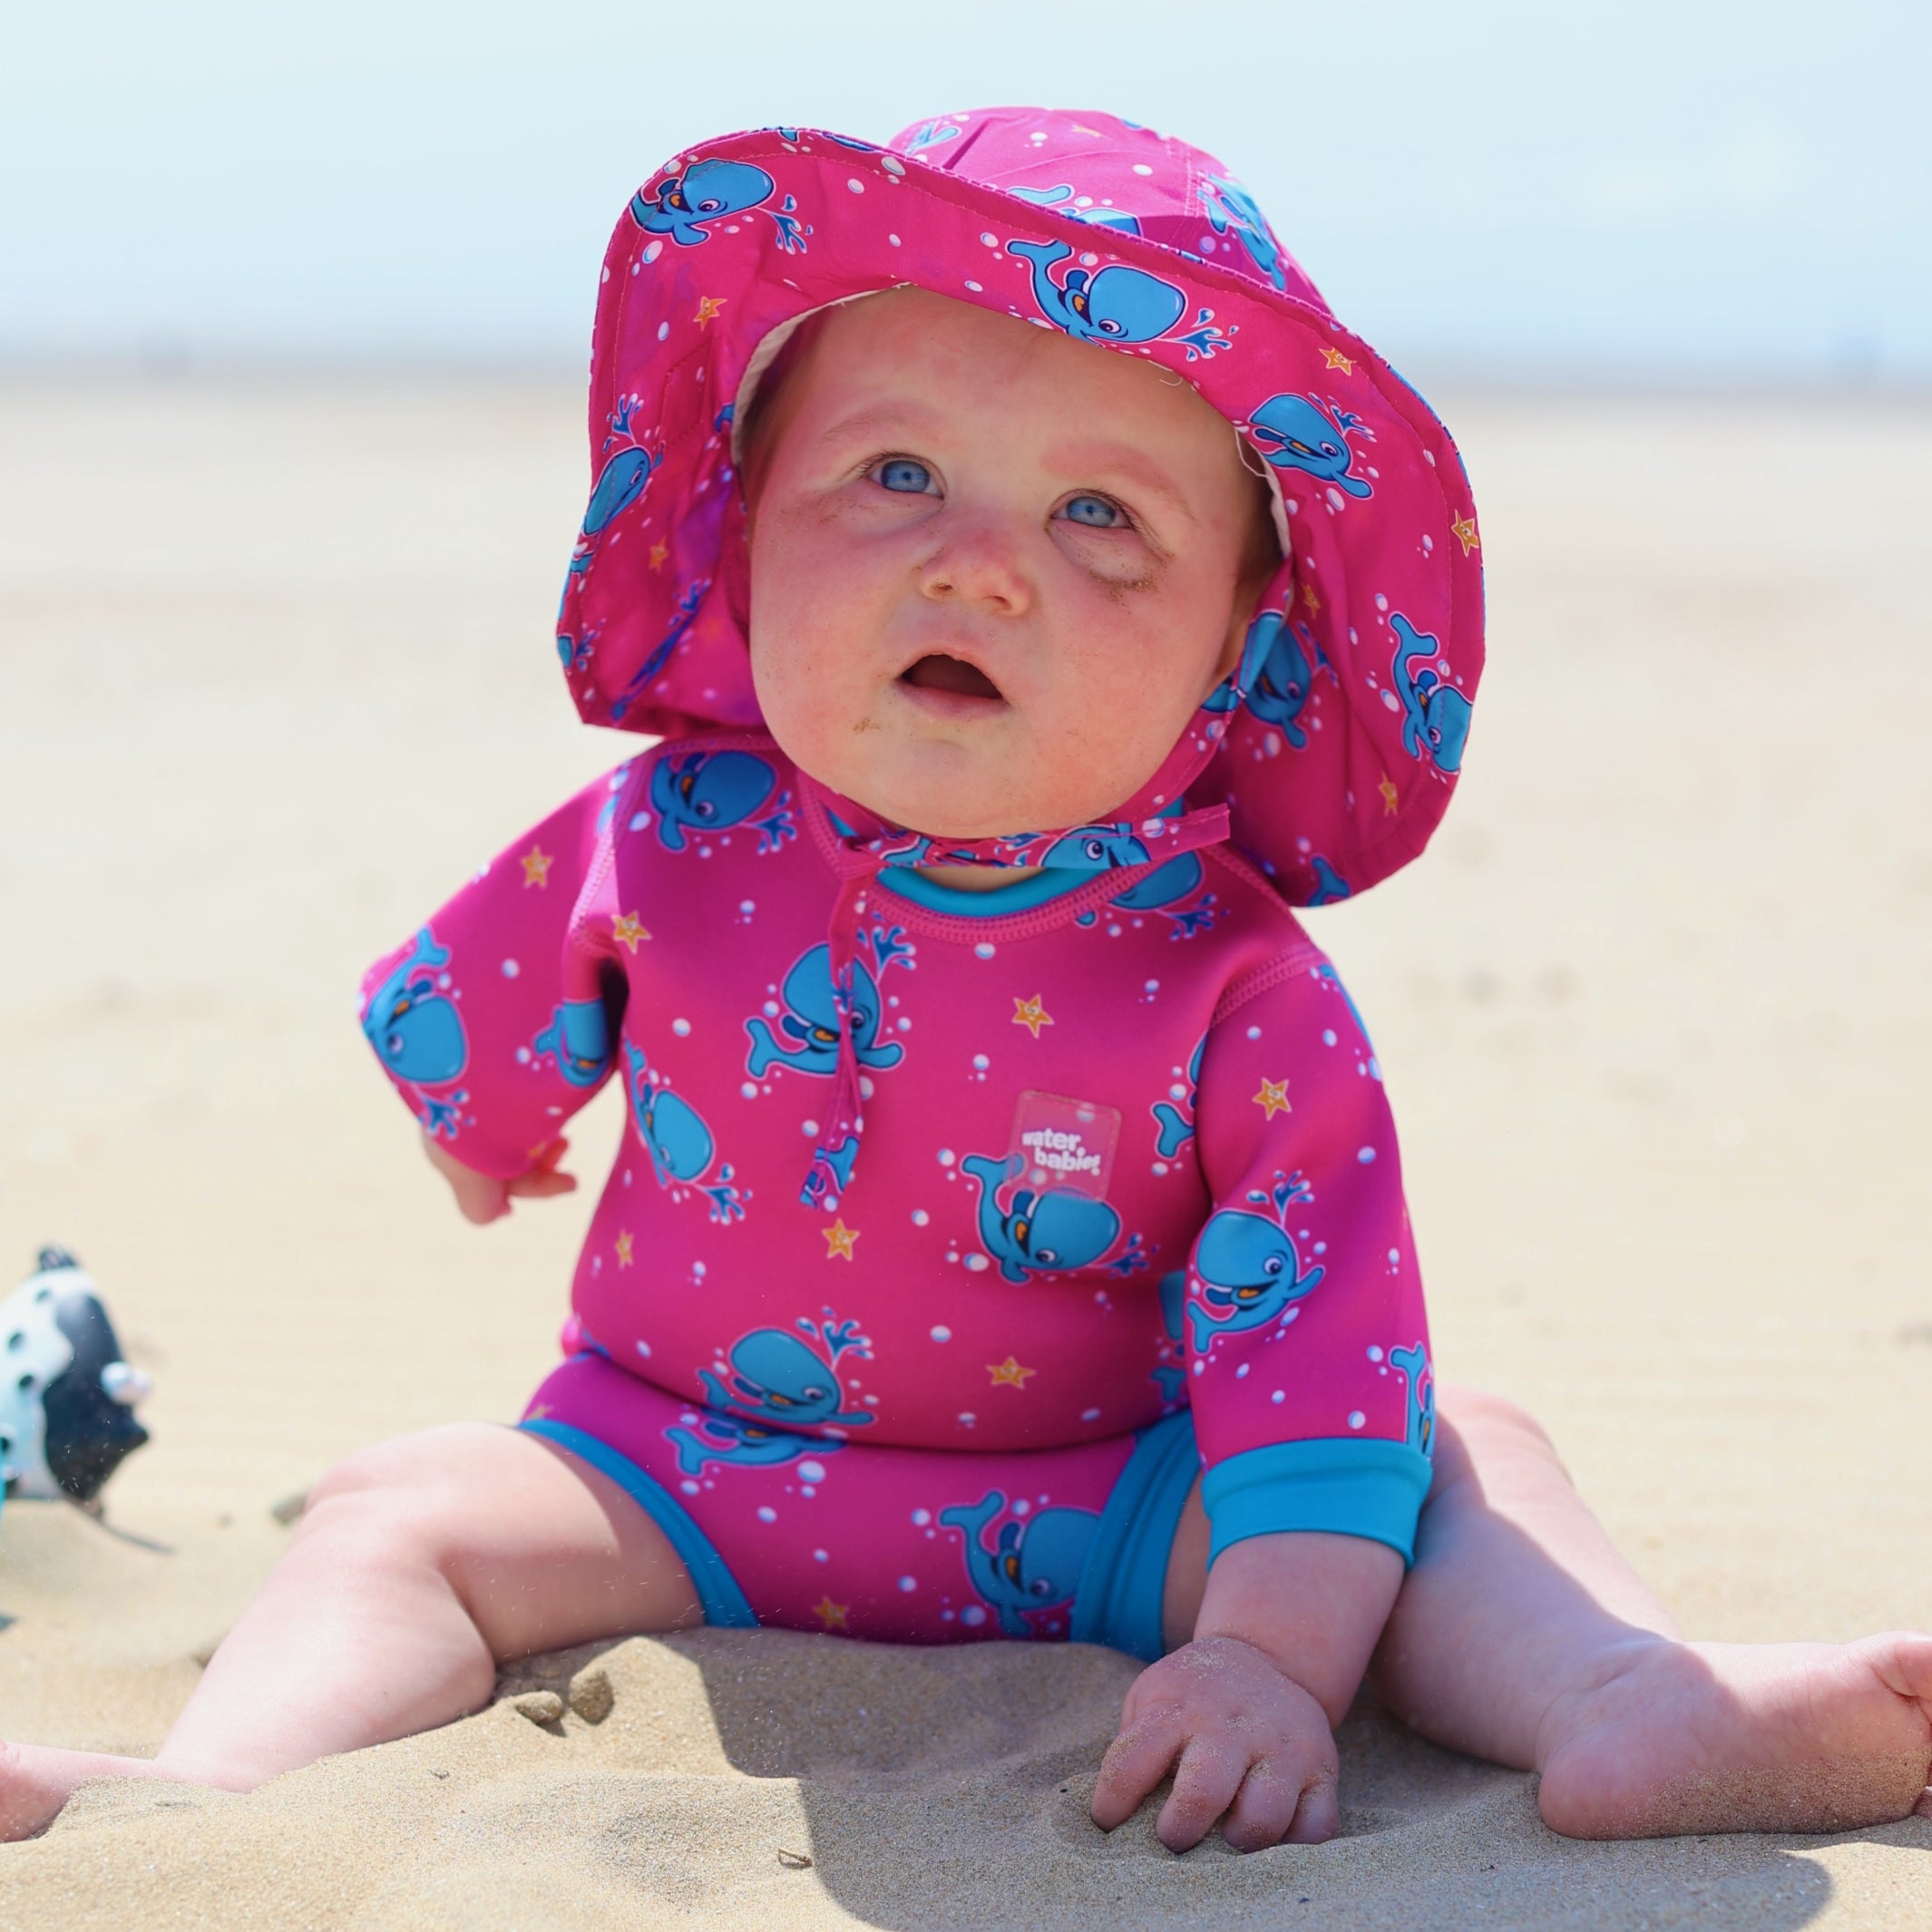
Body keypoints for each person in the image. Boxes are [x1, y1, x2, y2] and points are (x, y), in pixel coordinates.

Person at [6, 108, 1928, 1851]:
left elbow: (1312, 1343)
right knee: (397, 1515)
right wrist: (485, 1130)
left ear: (1235, 643)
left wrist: (1266, 1650)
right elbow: (498, 1013)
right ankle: (213, 1792)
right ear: (747, 526)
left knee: (1438, 1468)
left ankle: (1625, 1701)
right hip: (670, 1462)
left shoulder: (1236, 985)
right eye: (897, 473)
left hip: (1115, 1504)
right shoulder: (664, 832)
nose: (980, 568)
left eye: (1102, 518)